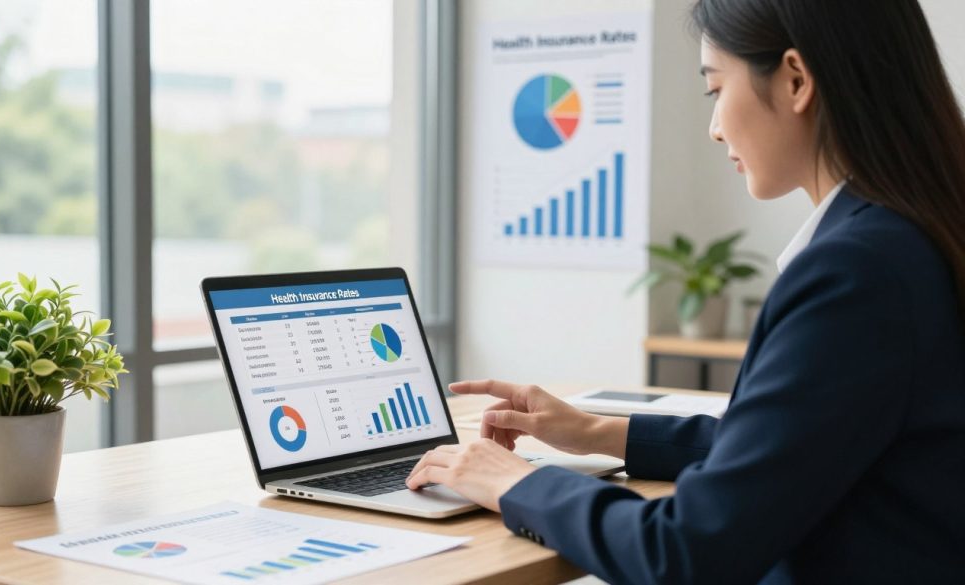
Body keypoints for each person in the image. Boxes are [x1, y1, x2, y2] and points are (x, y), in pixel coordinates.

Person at [404, 0, 965, 582]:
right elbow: (793, 448)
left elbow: (687, 551)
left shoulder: (856, 273)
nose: (715, 126)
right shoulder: (915, 236)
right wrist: (596, 431)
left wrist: (515, 483)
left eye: (715, 89)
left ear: (797, 80)